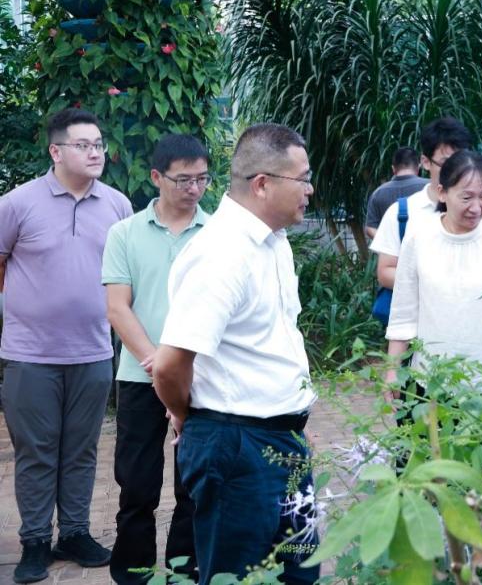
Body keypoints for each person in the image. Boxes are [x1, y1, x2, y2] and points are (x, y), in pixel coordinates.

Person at [151, 124, 319, 585]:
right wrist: (186, 415)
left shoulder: (273, 241)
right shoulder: (222, 253)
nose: (310, 189)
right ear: (262, 184)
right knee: (239, 577)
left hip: (283, 442)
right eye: (302, 178)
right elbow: (169, 365)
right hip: (238, 446)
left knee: (299, 572)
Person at [0, 108, 132, 583]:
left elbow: (126, 276)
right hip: (30, 355)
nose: (95, 152)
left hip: (93, 352)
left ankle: (74, 532)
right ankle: (35, 541)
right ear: (56, 151)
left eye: (99, 144)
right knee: (36, 451)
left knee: (81, 449)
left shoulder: (117, 205)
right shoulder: (17, 203)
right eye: (83, 145)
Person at [102, 134, 210, 584]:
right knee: (137, 485)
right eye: (183, 180)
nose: (194, 189)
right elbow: (117, 308)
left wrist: (179, 371)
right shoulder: (125, 233)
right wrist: (158, 365)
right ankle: (134, 572)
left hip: (202, 378)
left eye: (202, 179)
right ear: (156, 177)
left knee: (194, 484)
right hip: (138, 377)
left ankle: (186, 570)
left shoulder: (218, 235)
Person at [385, 150, 482, 400]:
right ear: (442, 192)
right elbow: (404, 312)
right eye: (466, 197)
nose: (476, 207)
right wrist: (392, 371)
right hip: (430, 383)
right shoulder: (418, 239)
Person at [371, 117, 482, 296]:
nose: (456, 170)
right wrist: (437, 284)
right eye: (446, 163)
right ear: (425, 162)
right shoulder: (401, 213)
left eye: (461, 160)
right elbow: (385, 272)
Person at [364, 146, 429, 239]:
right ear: (418, 167)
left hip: (390, 247)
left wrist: (389, 243)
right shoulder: (431, 187)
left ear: (393, 169)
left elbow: (370, 228)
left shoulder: (378, 193)